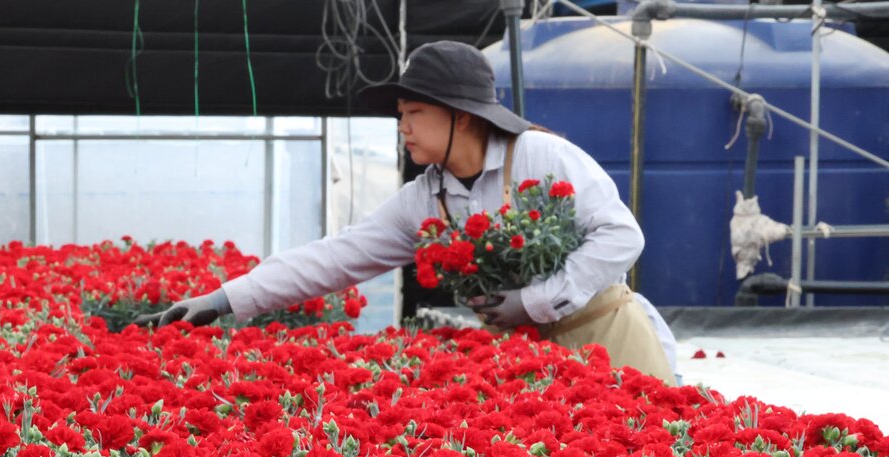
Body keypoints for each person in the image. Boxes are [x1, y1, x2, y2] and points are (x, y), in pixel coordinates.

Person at [133, 40, 679, 385]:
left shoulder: (540, 155)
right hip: (530, 360)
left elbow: (621, 236)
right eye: (401, 114)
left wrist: (532, 301)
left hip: (608, 338)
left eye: (415, 112)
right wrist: (224, 298)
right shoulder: (426, 197)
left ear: (463, 118)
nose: (403, 127)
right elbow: (338, 256)